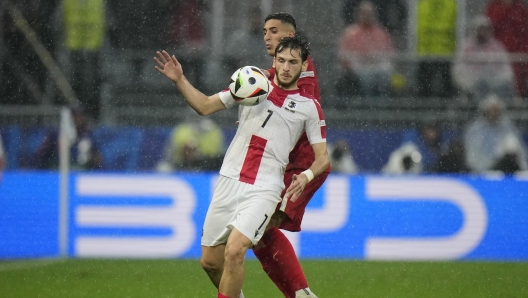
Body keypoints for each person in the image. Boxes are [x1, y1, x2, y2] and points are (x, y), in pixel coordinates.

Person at [154, 34, 329, 298]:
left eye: (293, 62)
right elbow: (204, 105)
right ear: (274, 60)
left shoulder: (309, 107)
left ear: (304, 66)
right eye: (280, 60)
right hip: (229, 181)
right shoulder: (252, 83)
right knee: (211, 262)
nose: (285, 67)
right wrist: (180, 79)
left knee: (235, 250)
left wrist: (306, 175)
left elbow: (323, 157)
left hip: (265, 188)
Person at [254, 13, 330, 298]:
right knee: (257, 233)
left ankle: (300, 293)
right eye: (264, 32)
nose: (266, 37)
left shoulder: (303, 67)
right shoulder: (273, 73)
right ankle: (299, 294)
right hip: (286, 163)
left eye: (273, 31)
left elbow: (299, 110)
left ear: (289, 36)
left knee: (257, 227)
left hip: (302, 163)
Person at [338, 1, 395, 98]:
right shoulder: (351, 33)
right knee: (366, 77)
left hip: (378, 66)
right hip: (358, 67)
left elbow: (390, 54)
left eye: (369, 14)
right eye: (364, 13)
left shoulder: (381, 33)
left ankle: (382, 106)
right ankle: (365, 106)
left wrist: (376, 59)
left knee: (384, 77)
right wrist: (360, 59)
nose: (367, 16)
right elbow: (343, 54)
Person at [452, 15, 515, 102]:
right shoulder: (466, 47)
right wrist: (469, 84)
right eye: (480, 29)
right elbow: (458, 70)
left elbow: (507, 70)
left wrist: (497, 82)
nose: (482, 32)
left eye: (484, 29)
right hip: (472, 89)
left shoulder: (497, 47)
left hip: (495, 89)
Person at [464, 95, 528, 173]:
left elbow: (514, 147)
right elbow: (471, 151)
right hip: (480, 167)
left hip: (501, 167)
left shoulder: (507, 128)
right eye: (491, 111)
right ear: (485, 112)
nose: (493, 114)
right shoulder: (475, 130)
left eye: (496, 111)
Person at [32, 105, 103, 170]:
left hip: (82, 170)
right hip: (57, 170)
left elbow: (98, 157)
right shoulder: (56, 134)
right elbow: (40, 154)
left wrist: (90, 157)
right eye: (75, 116)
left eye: (80, 116)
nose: (78, 119)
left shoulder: (89, 135)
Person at [486, 0, 528, 98]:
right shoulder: (494, 7)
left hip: (516, 53)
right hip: (496, 53)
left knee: (517, 80)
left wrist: (523, 53)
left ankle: (517, 99)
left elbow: (525, 33)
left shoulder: (520, 9)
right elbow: (489, 29)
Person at [416, 0, 457, 98]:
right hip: (434, 51)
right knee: (427, 86)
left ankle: (428, 106)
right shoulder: (450, 4)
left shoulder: (424, 4)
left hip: (437, 51)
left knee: (440, 86)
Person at [156, 115, 225, 172]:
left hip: (207, 165)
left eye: (192, 150)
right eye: (188, 150)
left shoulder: (212, 130)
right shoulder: (182, 131)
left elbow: (219, 154)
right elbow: (169, 154)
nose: (190, 153)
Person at [223, 7, 269, 72]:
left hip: (265, 78)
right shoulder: (238, 39)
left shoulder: (268, 40)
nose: (255, 21)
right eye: (253, 18)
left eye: (258, 18)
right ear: (248, 19)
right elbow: (228, 60)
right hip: (243, 77)